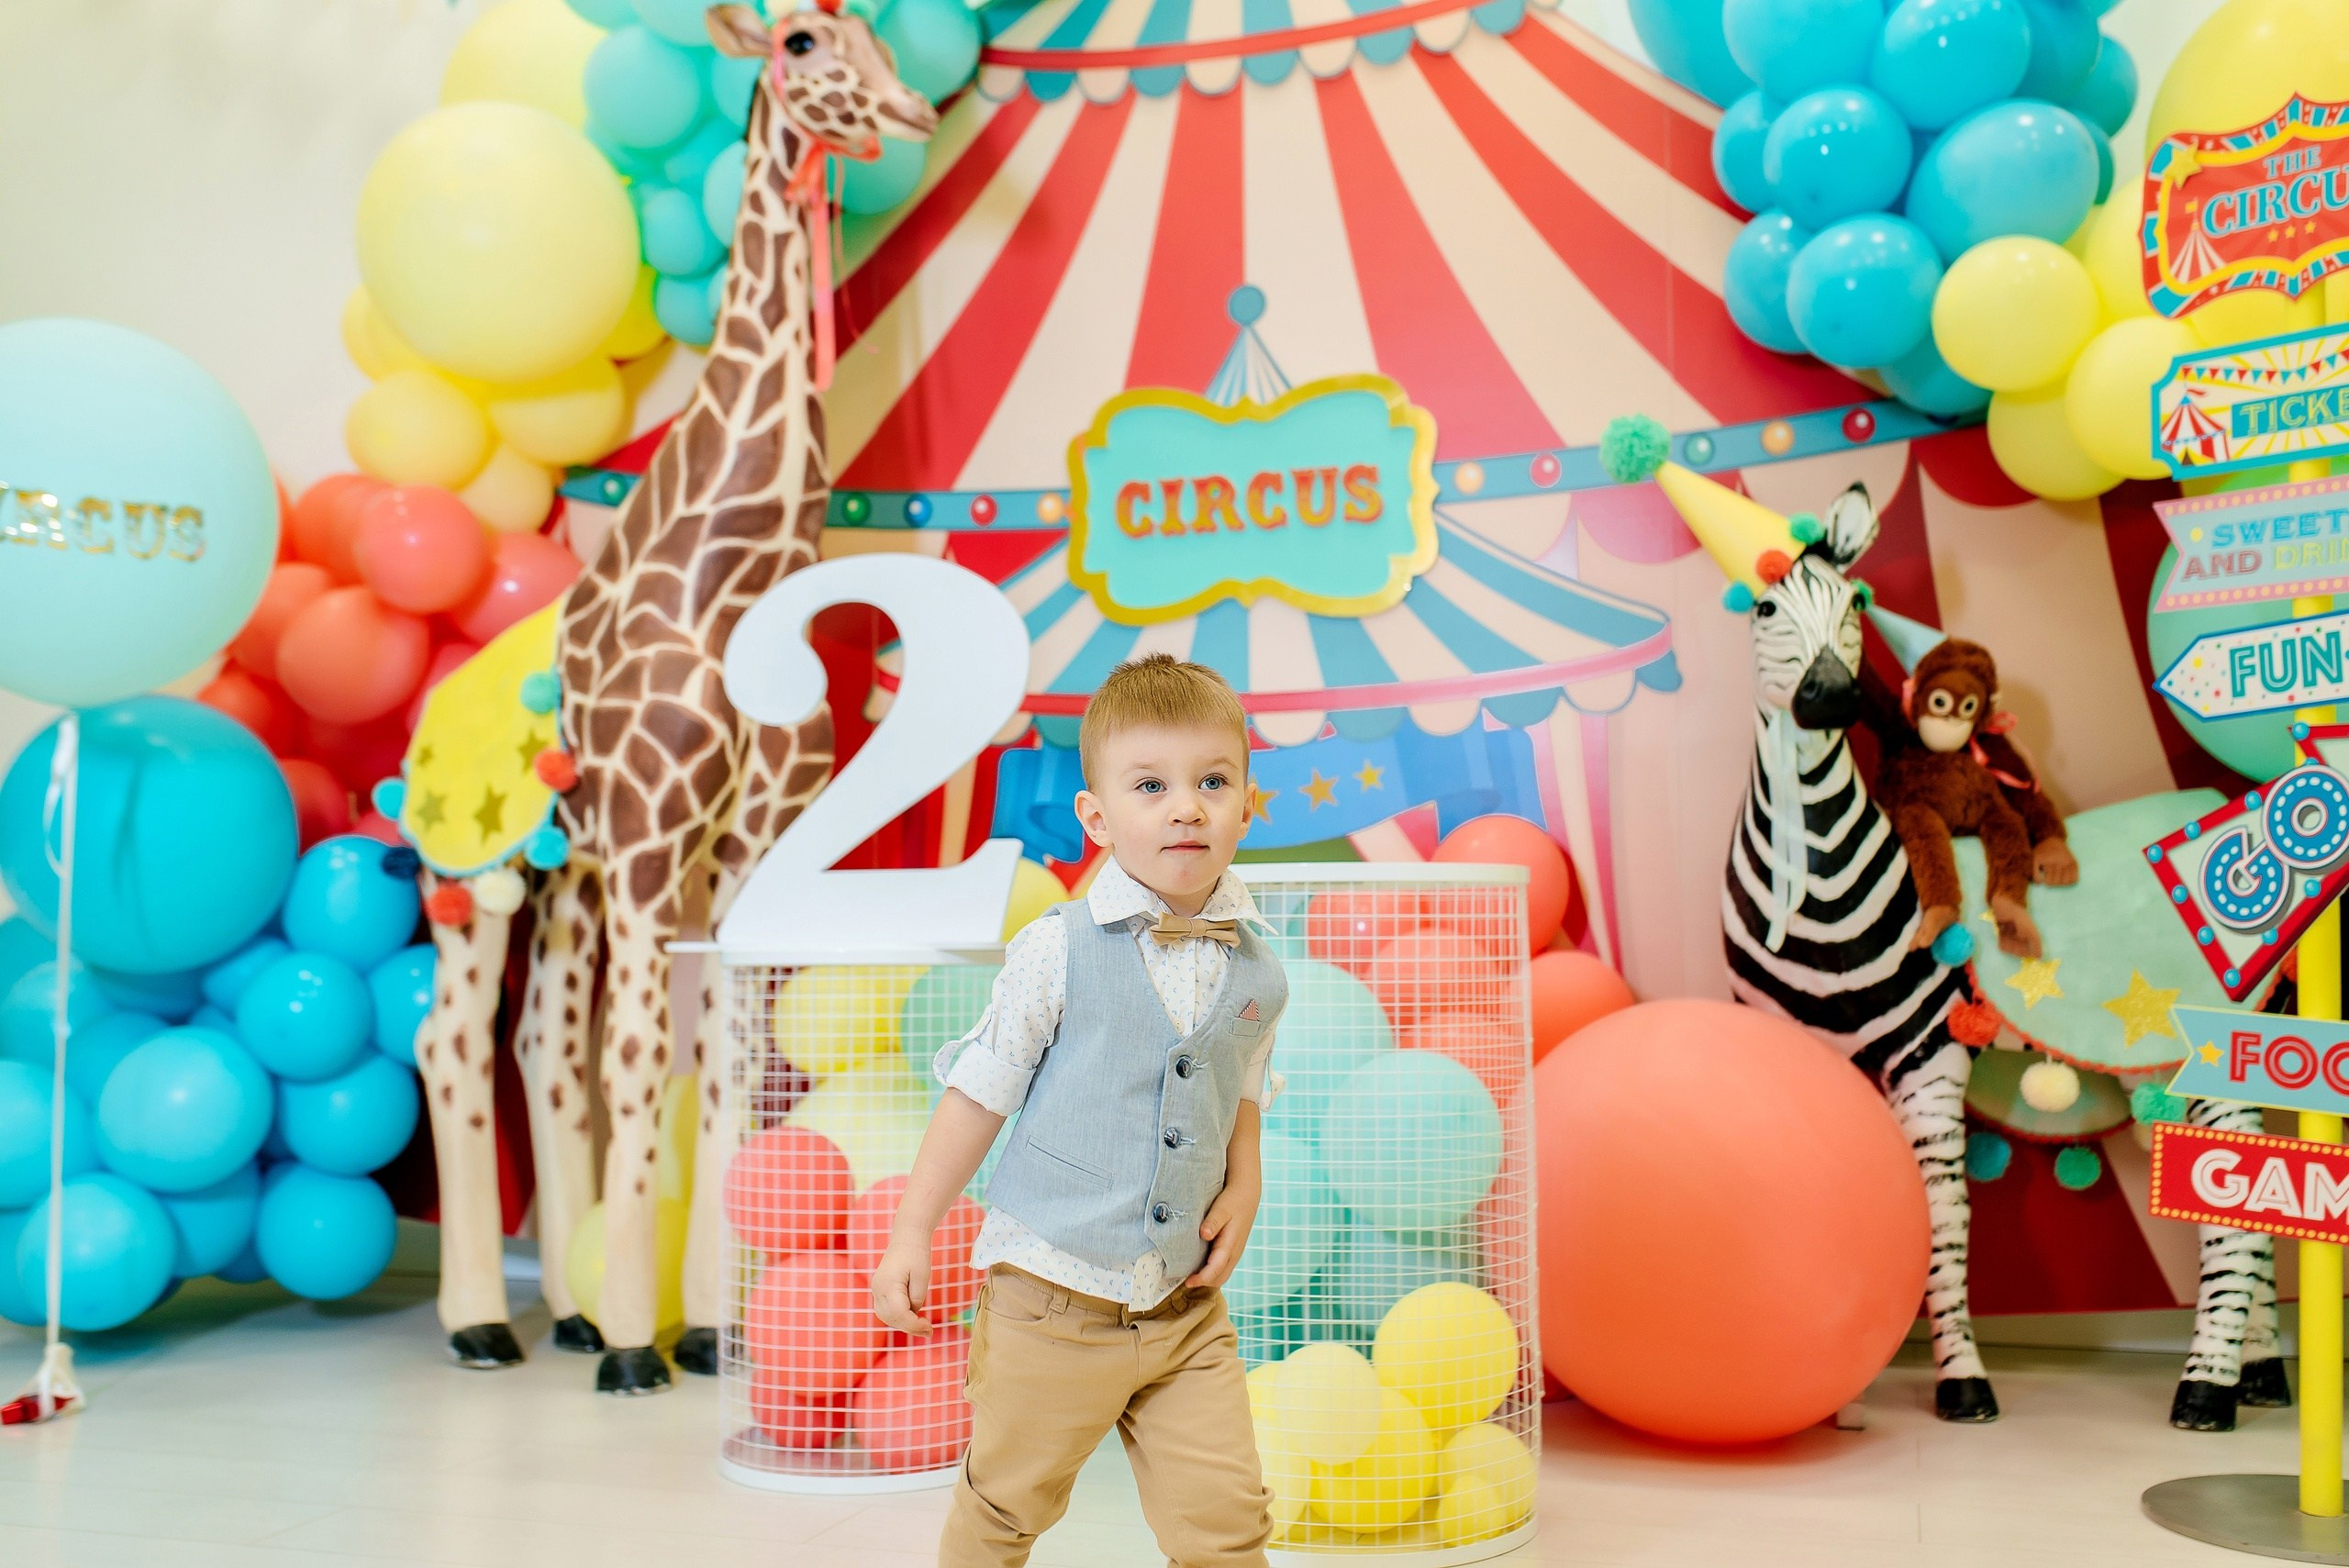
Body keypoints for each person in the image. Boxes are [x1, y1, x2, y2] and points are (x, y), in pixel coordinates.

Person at [872, 652, 1288, 1568]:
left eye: (1212, 781)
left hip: (1184, 1306)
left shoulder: (1260, 965)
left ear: (1247, 804)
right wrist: (912, 1229)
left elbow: (1243, 1080)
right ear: (1097, 817)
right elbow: (980, 1091)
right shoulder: (1055, 949)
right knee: (1004, 1508)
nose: (1187, 805)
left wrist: (1244, 1179)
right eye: (1152, 784)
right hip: (1051, 1295)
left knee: (1226, 1518)